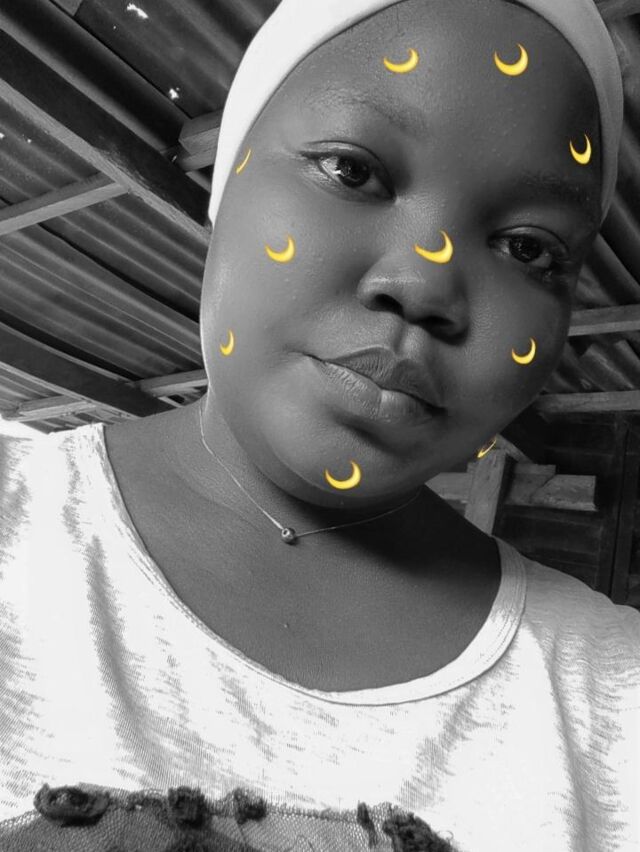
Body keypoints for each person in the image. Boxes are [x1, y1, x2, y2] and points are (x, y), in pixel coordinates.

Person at [0, 0, 638, 849]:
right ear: (227, 181)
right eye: (352, 170)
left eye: (528, 248)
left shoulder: (617, 703)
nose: (424, 285)